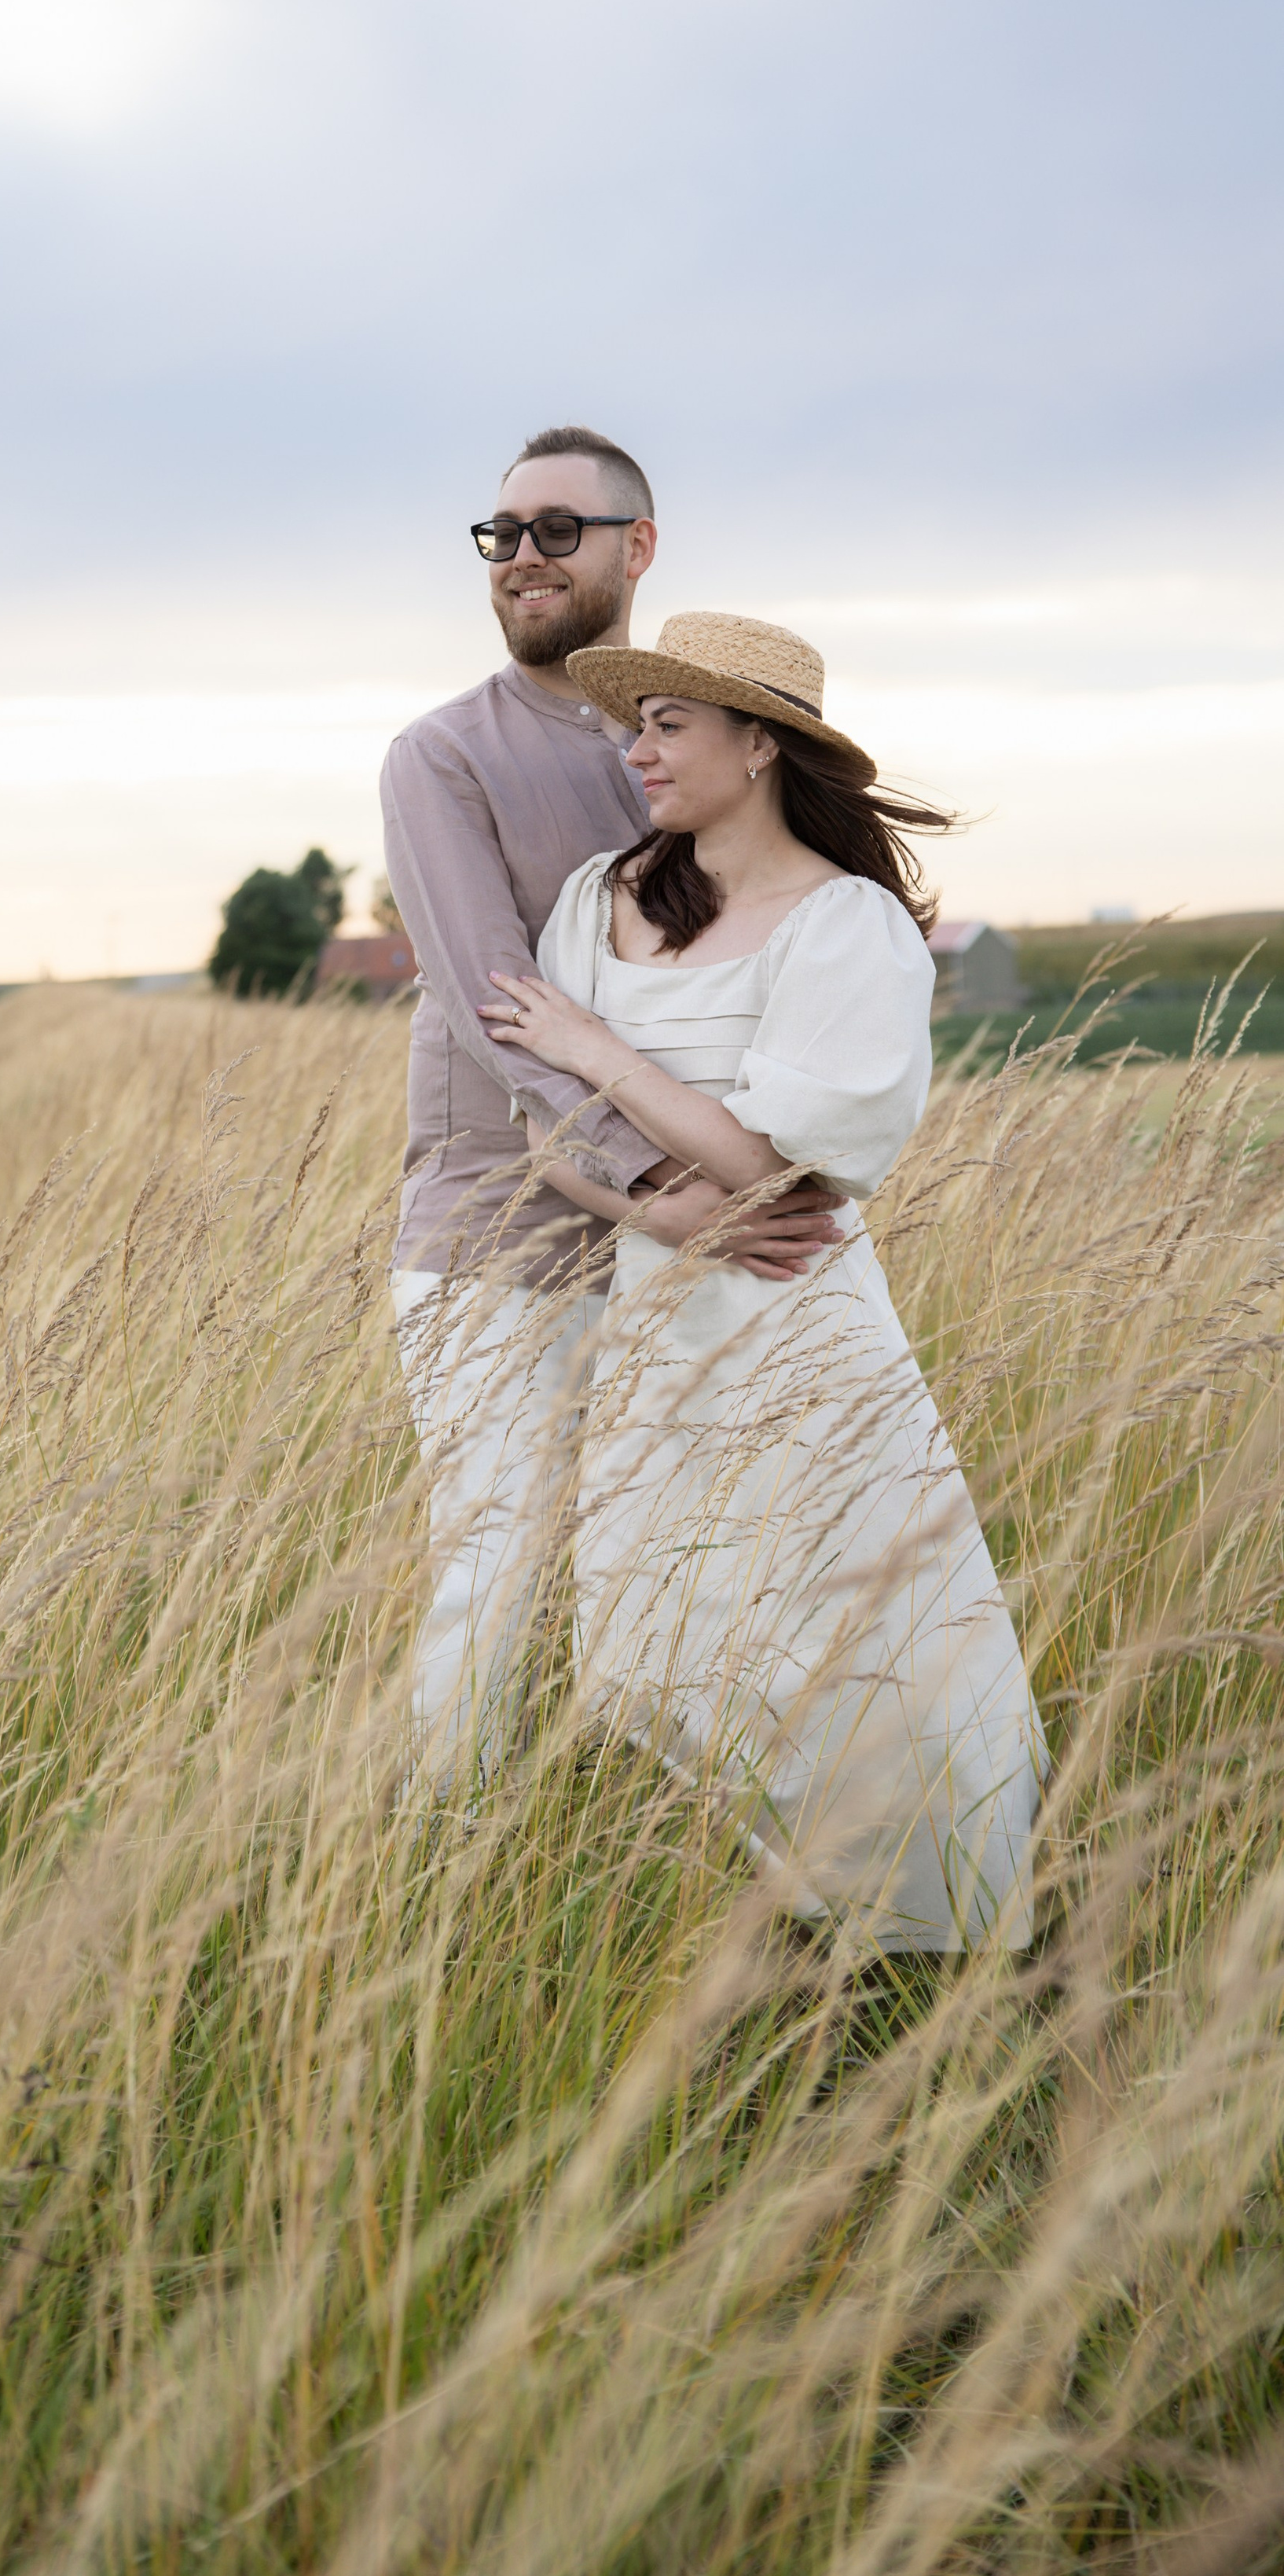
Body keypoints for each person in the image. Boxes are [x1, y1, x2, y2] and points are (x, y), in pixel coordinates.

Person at [479, 610, 1048, 1950]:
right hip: (654, 1318)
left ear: (761, 744)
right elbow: (533, 1133)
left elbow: (782, 1167)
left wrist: (592, 1049)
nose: (639, 751)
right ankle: (718, 1940)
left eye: (670, 724)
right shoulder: (600, 902)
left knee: (841, 1619)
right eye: (637, 724)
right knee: (661, 1622)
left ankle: (901, 1940)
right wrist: (658, 1217)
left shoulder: (846, 926)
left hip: (799, 1322)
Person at [380, 429, 843, 1769]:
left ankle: (644, 1864)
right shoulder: (443, 756)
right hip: (504, 1244)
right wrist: (662, 1192)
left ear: (636, 550)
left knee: (675, 1577)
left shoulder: (691, 746)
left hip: (706, 1239)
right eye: (502, 532)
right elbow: (494, 1007)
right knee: (501, 1577)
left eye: (557, 530)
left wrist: (754, 1179)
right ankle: (432, 1882)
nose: (522, 555)